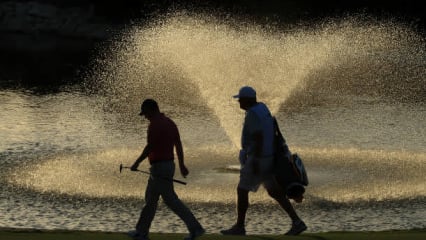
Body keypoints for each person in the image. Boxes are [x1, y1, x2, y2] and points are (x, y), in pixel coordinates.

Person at [220, 86, 307, 236]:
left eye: (240, 99)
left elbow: (259, 137)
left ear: (247, 100)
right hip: (268, 158)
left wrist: (254, 162)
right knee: (275, 192)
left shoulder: (253, 114)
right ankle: (297, 222)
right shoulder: (262, 108)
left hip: (258, 159)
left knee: (242, 190)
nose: (239, 102)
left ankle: (240, 227)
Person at [128, 99, 205, 240]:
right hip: (167, 166)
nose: (145, 116)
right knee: (151, 199)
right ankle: (141, 231)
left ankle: (196, 228)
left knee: (170, 200)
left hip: (159, 168)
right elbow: (178, 144)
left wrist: (136, 163)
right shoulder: (170, 123)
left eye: (146, 113)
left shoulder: (154, 125)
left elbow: (149, 147)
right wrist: (181, 165)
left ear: (152, 109)